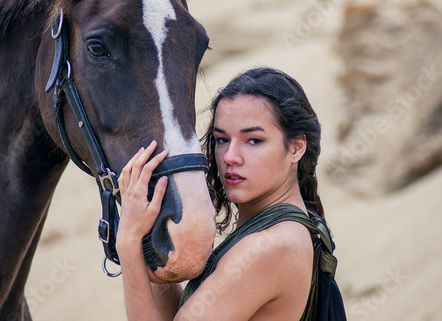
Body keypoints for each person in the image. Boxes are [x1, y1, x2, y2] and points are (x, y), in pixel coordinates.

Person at [115, 67, 345, 320]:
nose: (229, 157)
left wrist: (128, 242)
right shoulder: (289, 230)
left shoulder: (266, 248)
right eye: (222, 139)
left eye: (254, 140)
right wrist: (145, 236)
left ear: (296, 148)